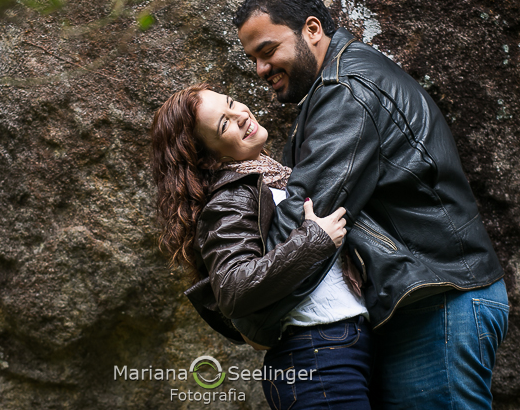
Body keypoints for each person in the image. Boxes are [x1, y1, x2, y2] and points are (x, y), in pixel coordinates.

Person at [232, 0, 509, 409]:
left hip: (440, 303)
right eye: (253, 58)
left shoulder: (346, 92)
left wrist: (247, 293)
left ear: (312, 29)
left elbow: (308, 211)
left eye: (267, 52)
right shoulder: (336, 86)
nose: (260, 69)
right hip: (428, 301)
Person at [151, 84, 373, 409]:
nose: (241, 115)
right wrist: (314, 241)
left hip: (345, 340)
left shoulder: (276, 177)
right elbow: (234, 287)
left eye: (231, 103)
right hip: (315, 354)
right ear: (207, 156)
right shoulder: (229, 199)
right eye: (223, 124)